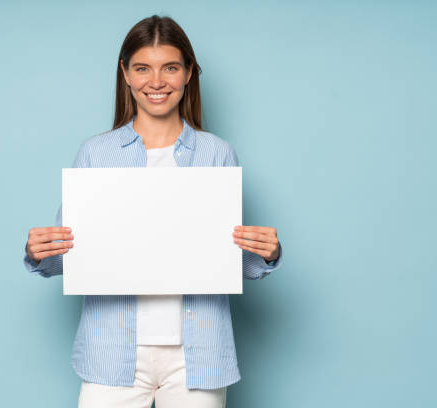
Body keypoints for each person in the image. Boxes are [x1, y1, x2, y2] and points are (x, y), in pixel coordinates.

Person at [23, 14, 283, 408]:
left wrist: (267, 252)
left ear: (189, 73)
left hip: (198, 353)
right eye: (143, 68)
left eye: (171, 68)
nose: (156, 82)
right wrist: (39, 252)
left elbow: (228, 259)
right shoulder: (96, 153)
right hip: (112, 349)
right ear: (125, 73)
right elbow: (70, 259)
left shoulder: (217, 154)